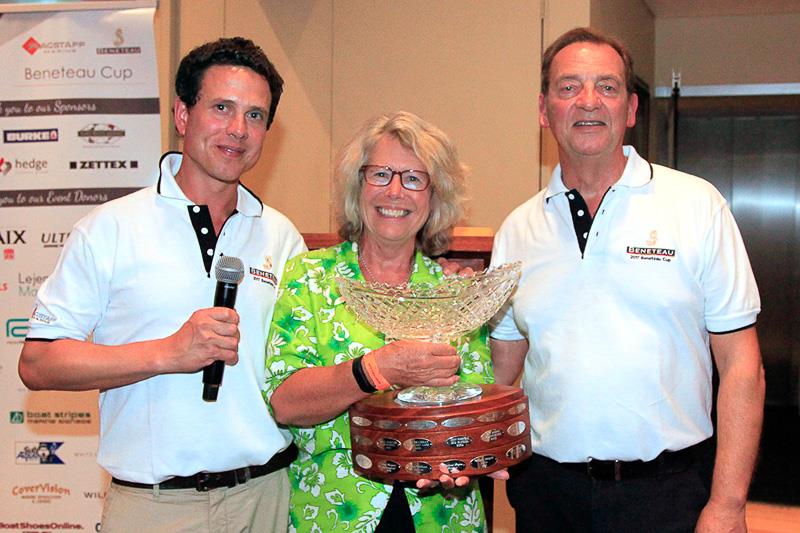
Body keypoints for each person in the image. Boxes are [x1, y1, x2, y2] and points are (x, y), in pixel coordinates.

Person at [18, 37, 305, 532]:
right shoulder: (110, 228)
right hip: (154, 507)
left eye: (255, 116)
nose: (238, 130)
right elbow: (39, 363)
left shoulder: (281, 235)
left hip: (267, 498)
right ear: (182, 114)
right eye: (221, 108)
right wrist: (167, 353)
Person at [490, 27, 765, 533]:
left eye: (608, 87)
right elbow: (501, 369)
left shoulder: (696, 206)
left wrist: (728, 503)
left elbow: (742, 365)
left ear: (631, 109)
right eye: (568, 87)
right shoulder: (516, 230)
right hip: (547, 495)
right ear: (543, 109)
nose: (588, 101)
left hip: (669, 495)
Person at [264, 111, 493, 532]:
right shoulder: (310, 278)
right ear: (358, 185)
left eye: (413, 178)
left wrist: (457, 459)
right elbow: (286, 402)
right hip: (334, 511)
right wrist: (376, 370)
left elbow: (473, 411)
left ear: (433, 196)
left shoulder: (457, 294)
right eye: (381, 174)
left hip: (442, 512)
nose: (394, 191)